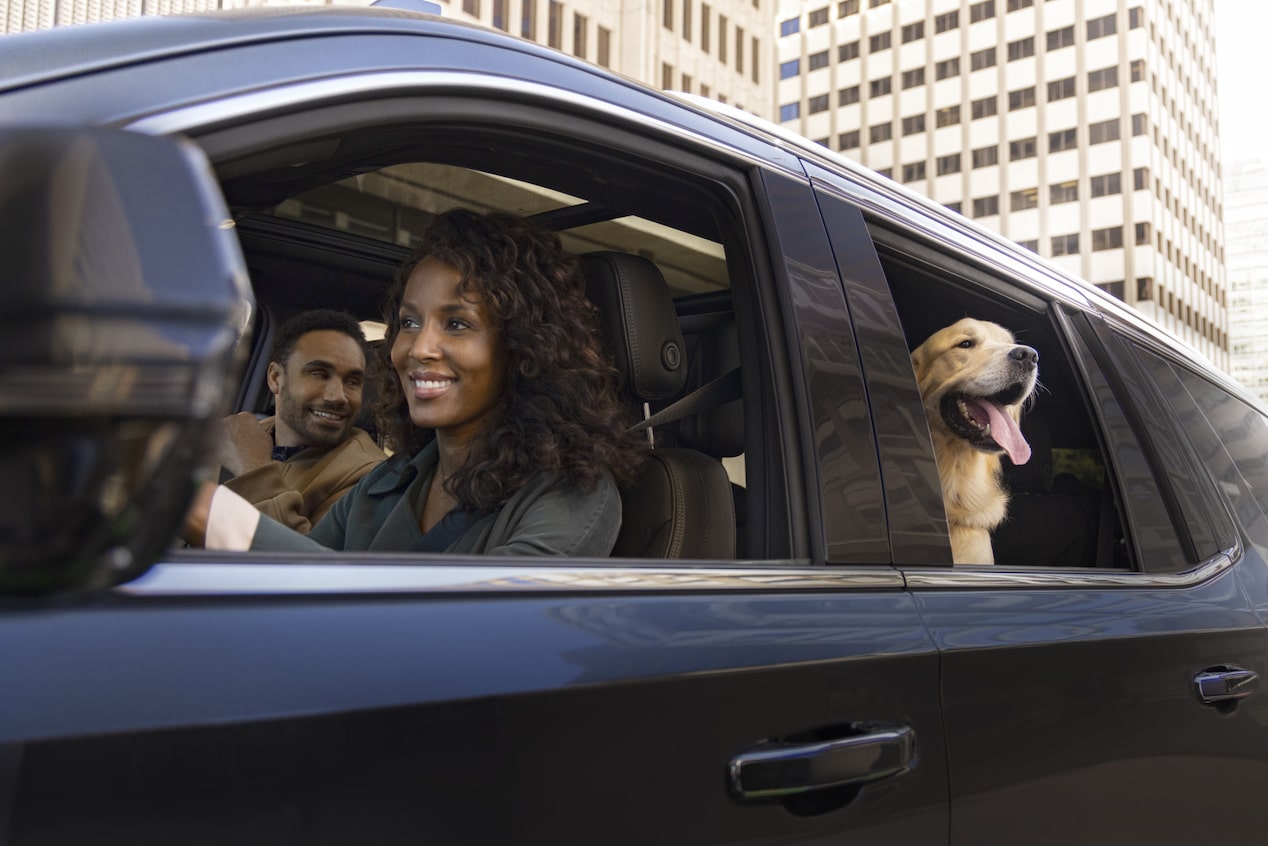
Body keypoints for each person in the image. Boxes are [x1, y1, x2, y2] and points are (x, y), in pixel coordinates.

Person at [185, 208, 645, 556]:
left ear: (523, 347)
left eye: (457, 324)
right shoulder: (389, 481)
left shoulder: (570, 495)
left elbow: (468, 641)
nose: (417, 348)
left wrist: (210, 513)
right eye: (408, 322)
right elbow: (297, 592)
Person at [217, 309, 388, 532]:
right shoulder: (241, 437)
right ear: (276, 378)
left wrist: (253, 468)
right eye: (319, 374)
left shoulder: (368, 478)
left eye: (353, 381)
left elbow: (300, 561)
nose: (338, 396)